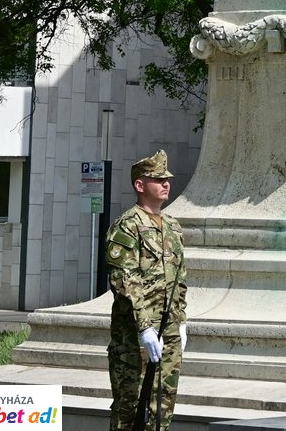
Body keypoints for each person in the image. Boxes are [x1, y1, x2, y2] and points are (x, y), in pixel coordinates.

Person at [106, 150, 189, 431]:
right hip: (135, 336)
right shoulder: (128, 225)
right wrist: (144, 328)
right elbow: (124, 279)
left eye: (167, 179)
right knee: (130, 410)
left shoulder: (173, 227)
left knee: (162, 409)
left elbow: (179, 280)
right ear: (140, 185)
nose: (165, 184)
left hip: (168, 331)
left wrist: (181, 321)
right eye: (157, 179)